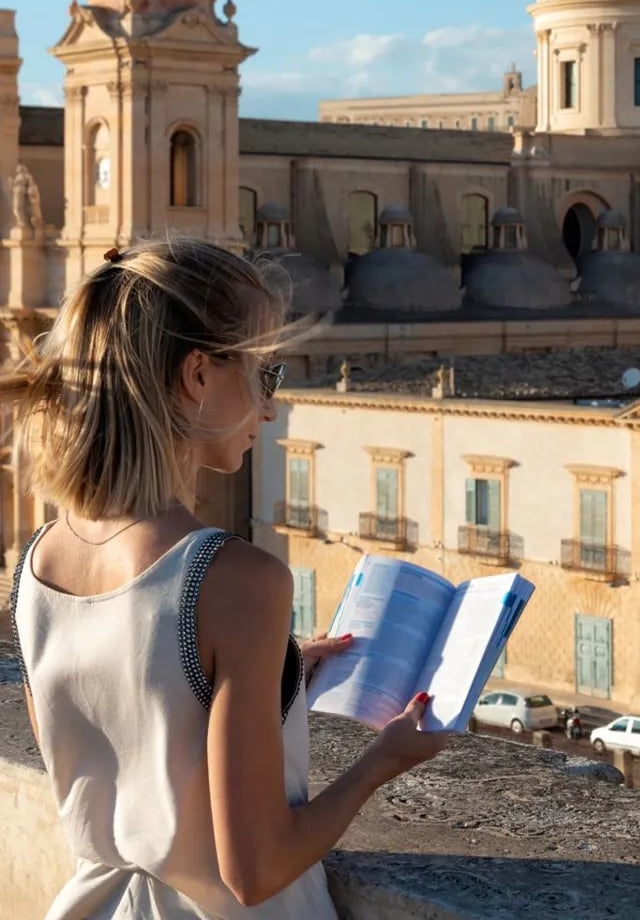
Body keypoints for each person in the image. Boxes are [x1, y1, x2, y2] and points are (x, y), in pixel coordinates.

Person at [6, 237, 448, 918]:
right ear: (197, 375)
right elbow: (254, 871)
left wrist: (275, 684)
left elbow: (128, 730)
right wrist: (382, 762)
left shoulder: (38, 564)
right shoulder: (234, 579)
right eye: (264, 374)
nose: (270, 408)